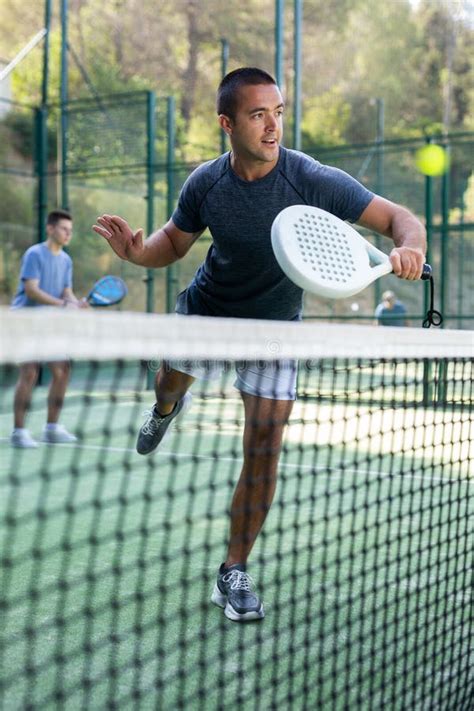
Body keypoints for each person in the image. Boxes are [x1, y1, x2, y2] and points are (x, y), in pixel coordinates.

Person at [93, 67, 426, 622]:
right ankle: (165, 408)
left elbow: (398, 218)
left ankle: (234, 569)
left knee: (264, 444)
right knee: (169, 383)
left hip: (274, 329)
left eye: (278, 113)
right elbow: (171, 244)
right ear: (227, 123)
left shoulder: (310, 177)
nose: (273, 128)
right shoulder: (205, 182)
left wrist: (410, 246)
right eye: (257, 115)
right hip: (207, 314)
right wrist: (136, 252)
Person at [11, 209, 87, 449]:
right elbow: (32, 290)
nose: (68, 234)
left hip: (50, 324)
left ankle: (51, 427)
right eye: (64, 229)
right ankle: (19, 431)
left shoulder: (66, 260)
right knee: (30, 372)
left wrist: (75, 303)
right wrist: (63, 304)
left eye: (70, 230)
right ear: (50, 228)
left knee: (63, 370)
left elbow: (66, 291)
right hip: (27, 321)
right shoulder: (34, 254)